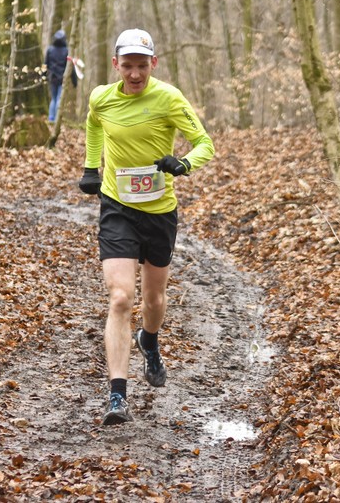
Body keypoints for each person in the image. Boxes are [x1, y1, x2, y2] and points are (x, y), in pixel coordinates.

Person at [78, 28, 214, 425]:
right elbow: (93, 125)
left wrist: (184, 163)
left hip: (159, 212)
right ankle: (117, 396)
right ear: (116, 65)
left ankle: (149, 341)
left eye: (141, 66)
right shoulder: (102, 97)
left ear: (153, 64)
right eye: (127, 66)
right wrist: (91, 167)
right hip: (117, 206)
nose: (134, 74)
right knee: (121, 298)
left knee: (153, 301)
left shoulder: (169, 98)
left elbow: (205, 142)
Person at [44, 29, 76, 124]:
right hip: (62, 78)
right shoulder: (66, 51)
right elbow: (71, 68)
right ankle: (56, 119)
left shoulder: (50, 50)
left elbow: (45, 64)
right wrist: (74, 81)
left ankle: (51, 118)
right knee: (58, 98)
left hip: (52, 78)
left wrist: (43, 76)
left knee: (54, 99)